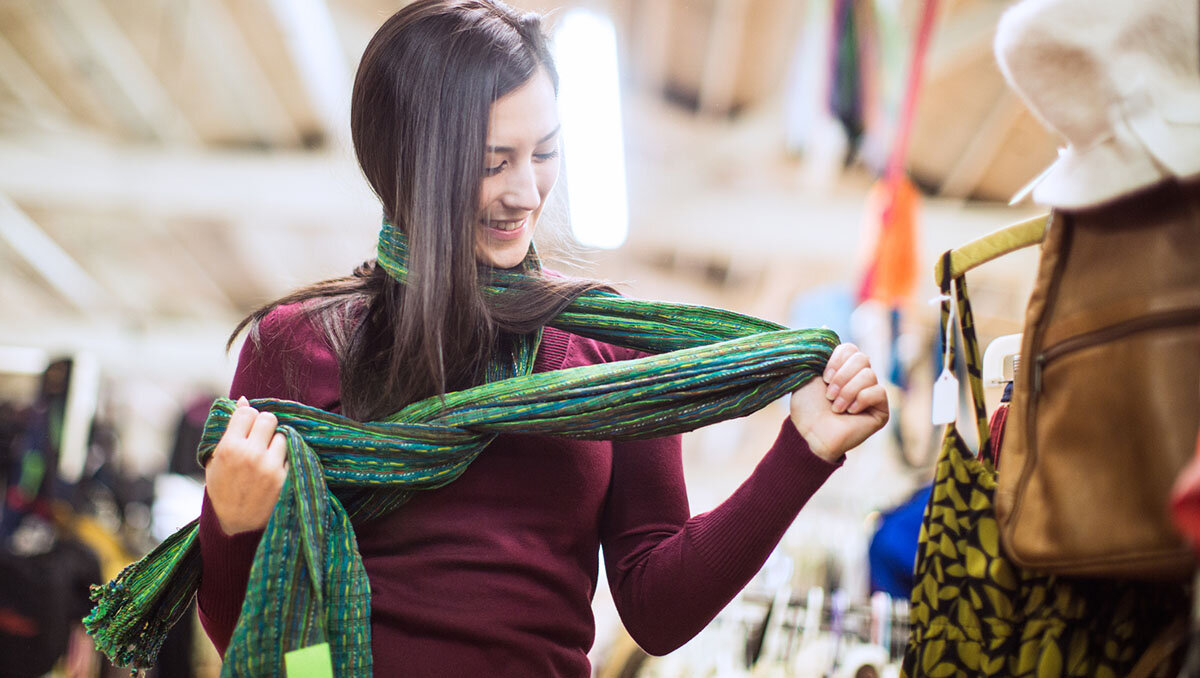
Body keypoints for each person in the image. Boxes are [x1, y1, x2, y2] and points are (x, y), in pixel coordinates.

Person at [197, 1, 889, 675]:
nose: (528, 192)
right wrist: (231, 523)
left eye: (546, 152)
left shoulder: (615, 352)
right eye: (494, 161)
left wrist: (804, 451)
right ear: (408, 162)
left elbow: (657, 610)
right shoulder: (296, 347)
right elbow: (252, 641)